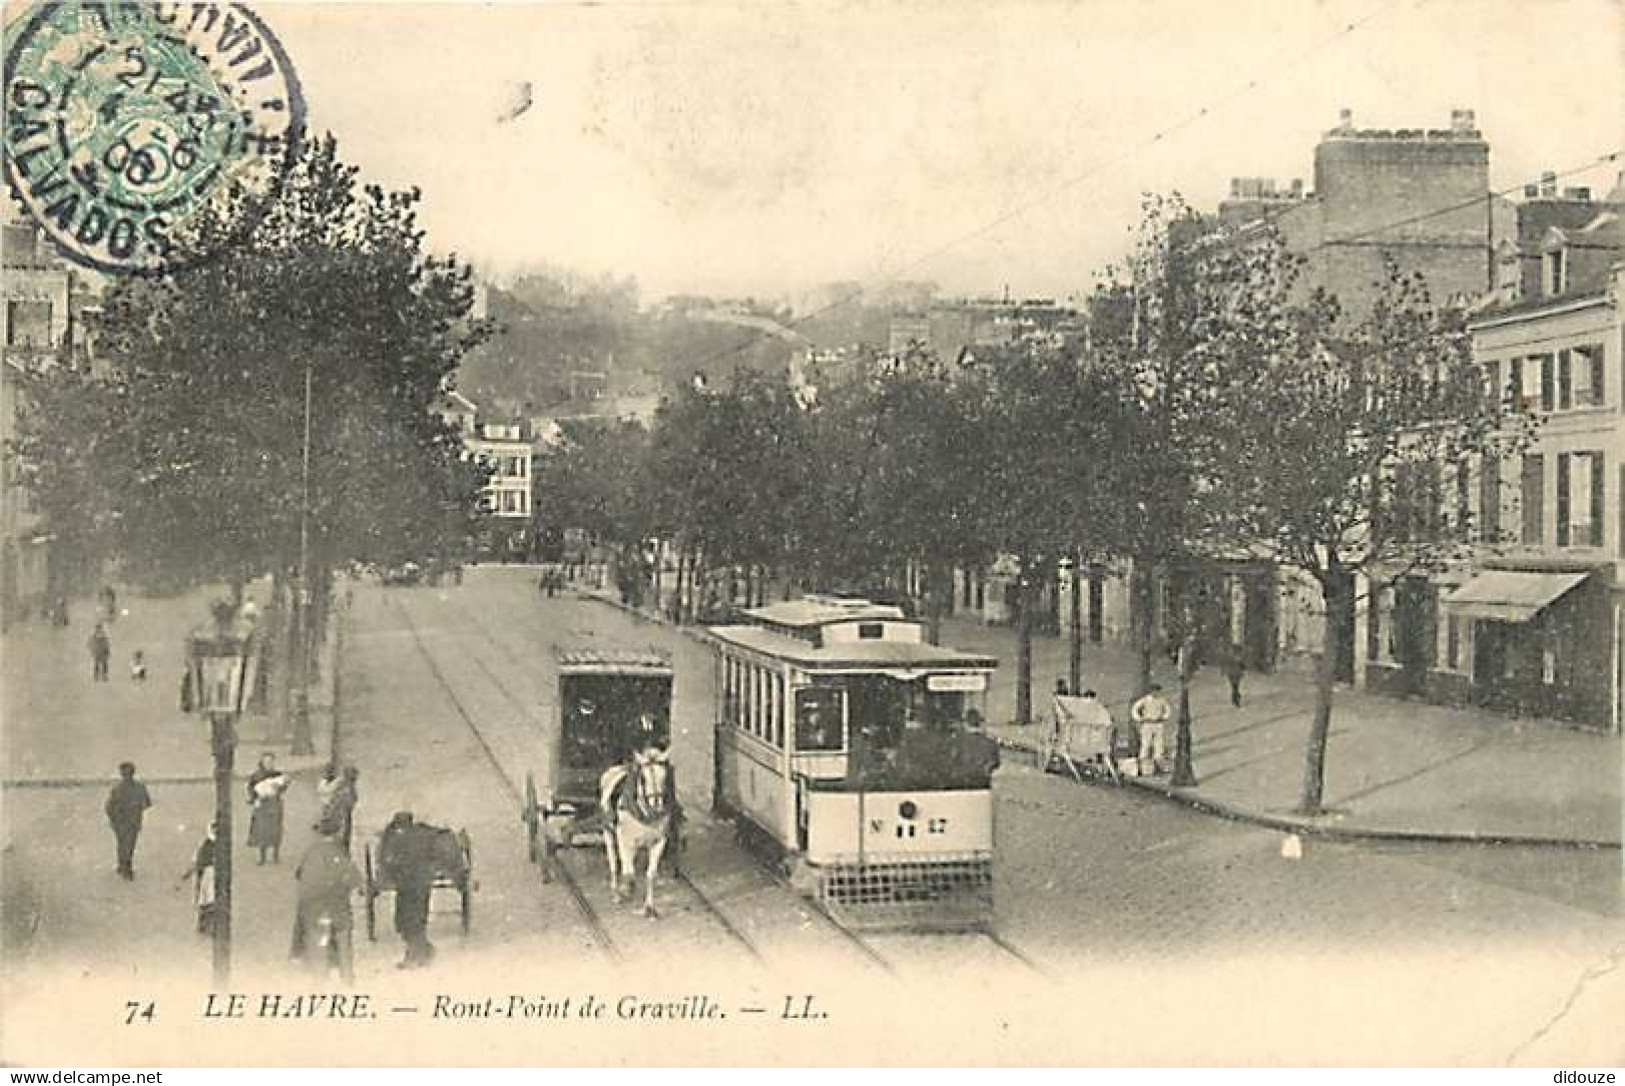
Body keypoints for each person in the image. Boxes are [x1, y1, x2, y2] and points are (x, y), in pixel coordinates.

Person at [291, 819, 361, 983]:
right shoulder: (340, 852)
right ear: (337, 832)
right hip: (337, 905)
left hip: (313, 906)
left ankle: (319, 977)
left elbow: (299, 874)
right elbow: (353, 877)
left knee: (317, 939)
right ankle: (347, 976)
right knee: (343, 938)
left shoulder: (311, 852)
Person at [380, 811, 436, 969]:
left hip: (407, 886)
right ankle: (423, 950)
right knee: (418, 919)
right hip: (422, 884)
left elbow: (388, 861)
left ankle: (415, 955)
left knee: (406, 921)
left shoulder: (396, 840)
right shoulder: (422, 836)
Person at [105, 762, 152, 879]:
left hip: (121, 821)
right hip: (131, 821)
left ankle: (123, 865)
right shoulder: (139, 787)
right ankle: (126, 867)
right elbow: (147, 803)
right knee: (129, 845)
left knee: (123, 844)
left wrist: (114, 818)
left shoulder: (117, 788)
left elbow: (109, 806)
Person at [177, 822, 218, 935]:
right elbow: (196, 861)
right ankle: (207, 925)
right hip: (208, 876)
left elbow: (196, 861)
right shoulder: (207, 844)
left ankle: (205, 925)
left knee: (206, 900)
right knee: (209, 900)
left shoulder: (205, 844)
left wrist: (186, 875)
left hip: (207, 876)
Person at [246, 754, 288, 864]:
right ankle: (262, 856)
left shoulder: (278, 774)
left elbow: (283, 788)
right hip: (262, 805)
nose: (269, 764)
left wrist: (281, 786)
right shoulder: (256, 776)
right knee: (262, 830)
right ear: (262, 763)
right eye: (266, 762)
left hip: (275, 804)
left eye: (271, 762)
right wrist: (254, 798)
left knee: (276, 830)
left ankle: (276, 855)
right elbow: (251, 788)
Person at [1130, 683, 1172, 775]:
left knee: (1159, 745)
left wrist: (1164, 717)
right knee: (1146, 744)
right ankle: (1142, 767)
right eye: (1154, 691)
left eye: (1157, 691)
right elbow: (1135, 709)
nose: (1155, 693)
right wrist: (1139, 718)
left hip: (1158, 724)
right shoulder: (1145, 700)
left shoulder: (1162, 700)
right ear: (1150, 691)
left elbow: (1168, 710)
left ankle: (1159, 765)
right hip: (1147, 724)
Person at [1223, 643, 1246, 709]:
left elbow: (1242, 665)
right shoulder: (1237, 657)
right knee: (1235, 687)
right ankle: (1236, 699)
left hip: (1233, 674)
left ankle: (1235, 698)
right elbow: (1243, 665)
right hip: (1235, 674)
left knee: (1235, 687)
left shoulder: (1230, 656)